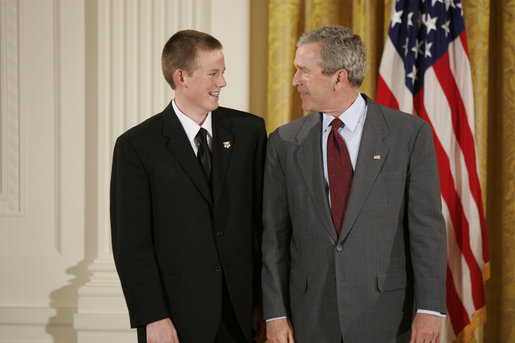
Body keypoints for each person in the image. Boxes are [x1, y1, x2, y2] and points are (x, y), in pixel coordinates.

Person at [261, 25, 447, 343]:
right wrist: (275, 315)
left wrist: (430, 308)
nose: (295, 80)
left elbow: (426, 229)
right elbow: (274, 237)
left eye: (303, 71)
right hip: (309, 318)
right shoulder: (284, 142)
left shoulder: (410, 135)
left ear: (339, 77)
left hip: (387, 316)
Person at [110, 29, 266, 343]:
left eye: (223, 73)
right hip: (176, 320)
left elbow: (264, 226)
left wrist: (267, 304)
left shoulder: (250, 132)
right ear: (182, 76)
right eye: (213, 74)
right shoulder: (137, 146)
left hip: (242, 316)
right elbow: (131, 244)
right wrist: (153, 316)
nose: (222, 82)